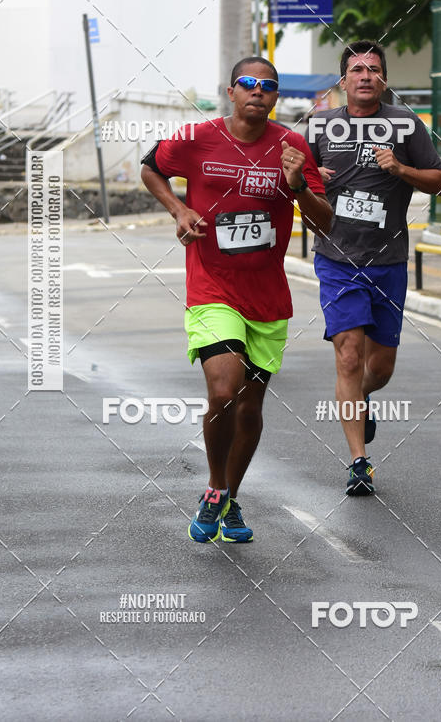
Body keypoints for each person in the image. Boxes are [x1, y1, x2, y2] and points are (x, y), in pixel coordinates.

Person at [141, 57, 331, 542]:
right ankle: (214, 486)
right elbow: (151, 167)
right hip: (212, 289)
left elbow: (323, 221)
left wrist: (297, 186)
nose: (257, 91)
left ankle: (230, 495)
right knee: (224, 392)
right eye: (248, 83)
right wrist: (178, 209)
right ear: (231, 92)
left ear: (276, 96)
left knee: (248, 407)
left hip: (266, 297)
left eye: (268, 85)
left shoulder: (292, 147)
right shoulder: (198, 137)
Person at [307, 40, 441, 495]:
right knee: (349, 355)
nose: (365, 75)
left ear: (384, 79)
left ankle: (364, 395)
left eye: (373, 69)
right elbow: (292, 178)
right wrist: (310, 179)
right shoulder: (320, 126)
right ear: (343, 80)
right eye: (357, 69)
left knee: (380, 368)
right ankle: (358, 462)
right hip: (337, 258)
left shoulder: (405, 124)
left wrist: (401, 170)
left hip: (387, 261)